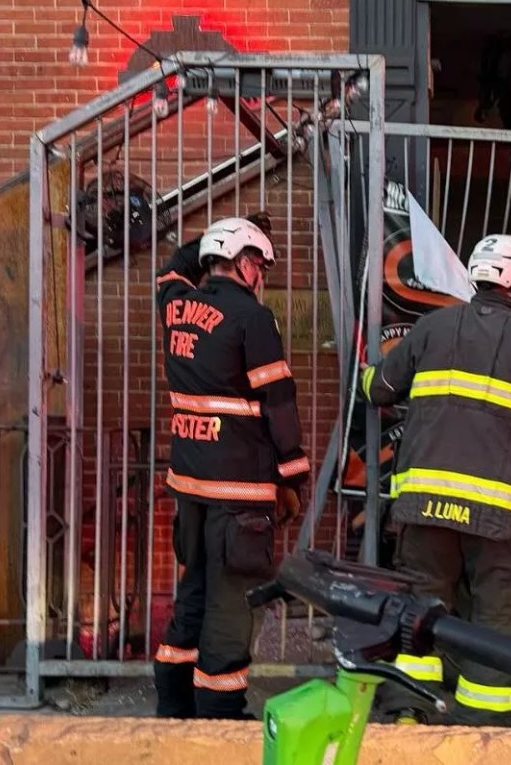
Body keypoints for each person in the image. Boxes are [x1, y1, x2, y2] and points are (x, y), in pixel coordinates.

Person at [361, 233, 511, 725]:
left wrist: (363, 375)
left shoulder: (431, 328)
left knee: (420, 608)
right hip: (502, 518)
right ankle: (484, 728)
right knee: (497, 615)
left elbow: (378, 388)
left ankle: (408, 715)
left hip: (426, 507)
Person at [152, 216, 309, 720]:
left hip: (190, 484)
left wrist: (214, 238)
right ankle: (219, 711)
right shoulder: (252, 318)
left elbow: (170, 271)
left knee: (194, 585)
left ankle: (174, 702)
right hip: (239, 489)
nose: (262, 274)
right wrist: (294, 477)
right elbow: (278, 403)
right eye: (259, 262)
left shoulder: (175, 306)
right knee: (231, 599)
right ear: (244, 264)